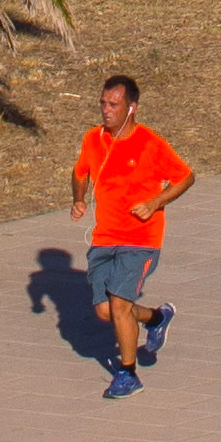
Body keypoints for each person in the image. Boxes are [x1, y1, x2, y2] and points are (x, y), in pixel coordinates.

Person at [67, 74, 192, 399]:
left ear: (131, 107)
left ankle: (127, 373)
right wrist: (79, 198)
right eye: (103, 103)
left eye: (113, 104)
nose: (106, 110)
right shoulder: (92, 140)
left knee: (120, 305)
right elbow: (80, 173)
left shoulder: (150, 144)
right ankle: (156, 318)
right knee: (105, 311)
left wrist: (155, 203)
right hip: (104, 238)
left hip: (141, 239)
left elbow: (185, 177)